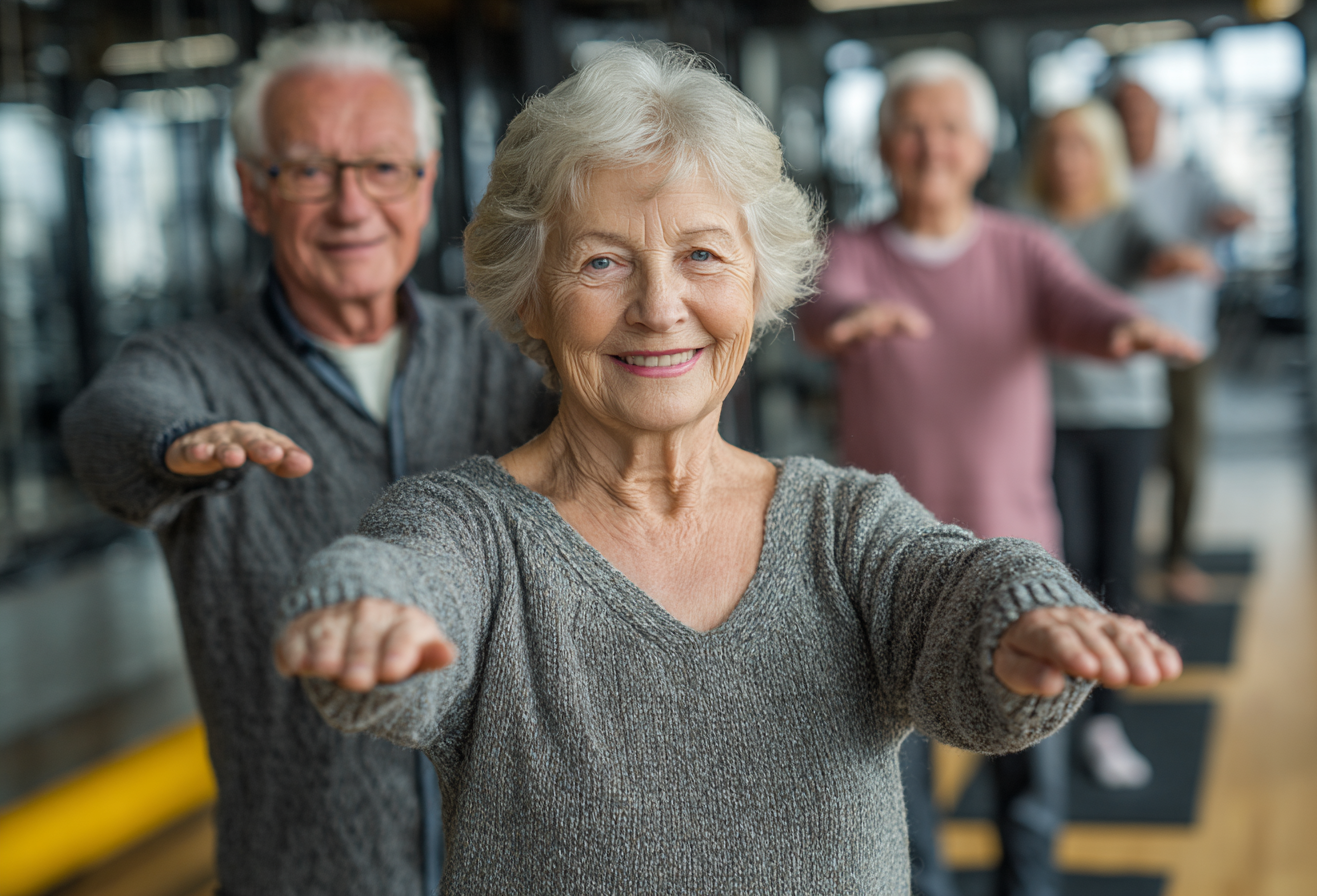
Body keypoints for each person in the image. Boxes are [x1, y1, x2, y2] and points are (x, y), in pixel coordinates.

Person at [268, 42, 1183, 895]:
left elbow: (952, 583)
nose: (660, 307)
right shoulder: (472, 529)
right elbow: (406, 576)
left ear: (757, 283)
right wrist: (365, 611)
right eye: (601, 262)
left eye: (702, 255)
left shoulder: (845, 524)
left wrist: (1022, 613)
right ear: (530, 296)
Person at [60, 22, 554, 896]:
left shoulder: (509, 357)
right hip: (300, 873)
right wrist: (178, 446)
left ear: (428, 181)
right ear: (254, 193)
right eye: (309, 171)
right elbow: (106, 425)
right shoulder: (190, 366)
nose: (351, 205)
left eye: (381, 167)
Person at [797, 51, 1201, 896]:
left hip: (1017, 553)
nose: (930, 147)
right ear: (881, 144)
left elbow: (1080, 306)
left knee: (1030, 769)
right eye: (910, 128)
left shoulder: (1023, 247)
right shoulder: (857, 252)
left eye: (949, 129)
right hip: (885, 563)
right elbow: (820, 310)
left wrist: (1125, 329)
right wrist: (847, 321)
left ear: (981, 149)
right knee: (895, 779)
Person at [1022, 101, 1218, 789]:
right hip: (1048, 417)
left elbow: (1156, 250)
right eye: (1055, 145)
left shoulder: (1125, 215)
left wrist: (1180, 260)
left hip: (1126, 415)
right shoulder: (1026, 228)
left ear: (1101, 153)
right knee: (1063, 565)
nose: (1066, 158)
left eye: (1080, 145)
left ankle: (1105, 717)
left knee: (1115, 568)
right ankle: (1060, 709)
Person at [1111, 79, 1253, 602]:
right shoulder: (1105, 180)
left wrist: (1230, 220)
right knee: (1127, 459)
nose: (1135, 124)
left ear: (1161, 118)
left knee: (1185, 458)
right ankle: (1114, 564)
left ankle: (1176, 558)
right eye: (1125, 112)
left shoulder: (1191, 178)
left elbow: (1231, 207)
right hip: (1119, 348)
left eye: (1144, 113)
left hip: (1184, 343)